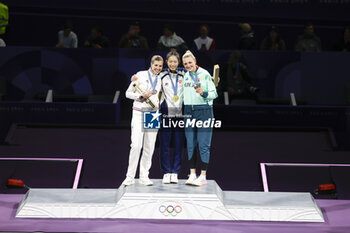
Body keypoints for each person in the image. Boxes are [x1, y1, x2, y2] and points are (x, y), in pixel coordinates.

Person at [122, 55, 164, 186]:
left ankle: (144, 176)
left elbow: (161, 95)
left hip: (153, 114)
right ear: (151, 64)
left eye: (160, 66)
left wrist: (158, 104)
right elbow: (128, 93)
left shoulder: (161, 78)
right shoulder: (140, 75)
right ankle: (129, 176)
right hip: (139, 113)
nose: (158, 68)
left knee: (149, 147)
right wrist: (141, 96)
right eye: (156, 65)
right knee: (136, 146)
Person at [182, 50, 218, 186]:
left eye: (190, 62)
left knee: (203, 144)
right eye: (185, 64)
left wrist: (203, 92)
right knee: (190, 144)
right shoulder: (185, 76)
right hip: (188, 111)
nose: (188, 65)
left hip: (204, 111)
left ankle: (203, 175)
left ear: (195, 61)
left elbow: (214, 94)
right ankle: (192, 174)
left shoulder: (204, 74)